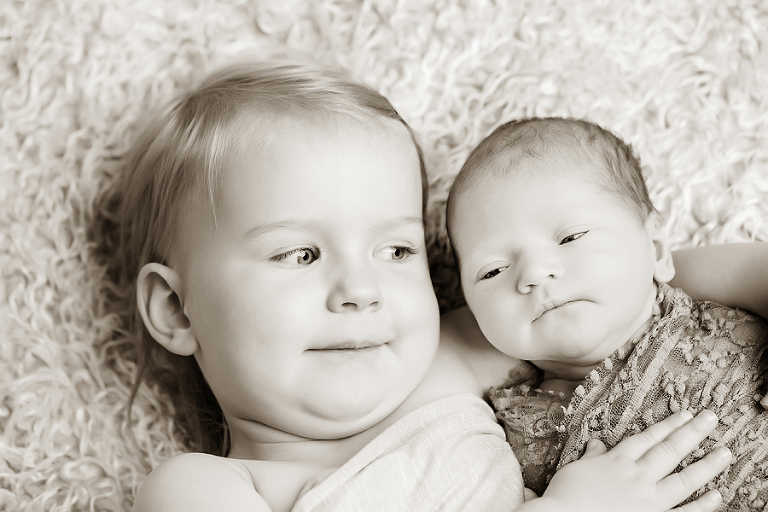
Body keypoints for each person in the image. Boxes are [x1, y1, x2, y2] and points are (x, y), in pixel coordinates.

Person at [118, 60, 741, 512]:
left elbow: (633, 278)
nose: (361, 290)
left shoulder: (442, 363)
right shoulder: (202, 488)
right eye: (299, 253)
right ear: (176, 309)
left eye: (396, 250)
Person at [446, 116, 768, 510]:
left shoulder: (713, 308)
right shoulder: (507, 437)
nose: (534, 273)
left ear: (656, 248)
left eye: (571, 237)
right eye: (493, 271)